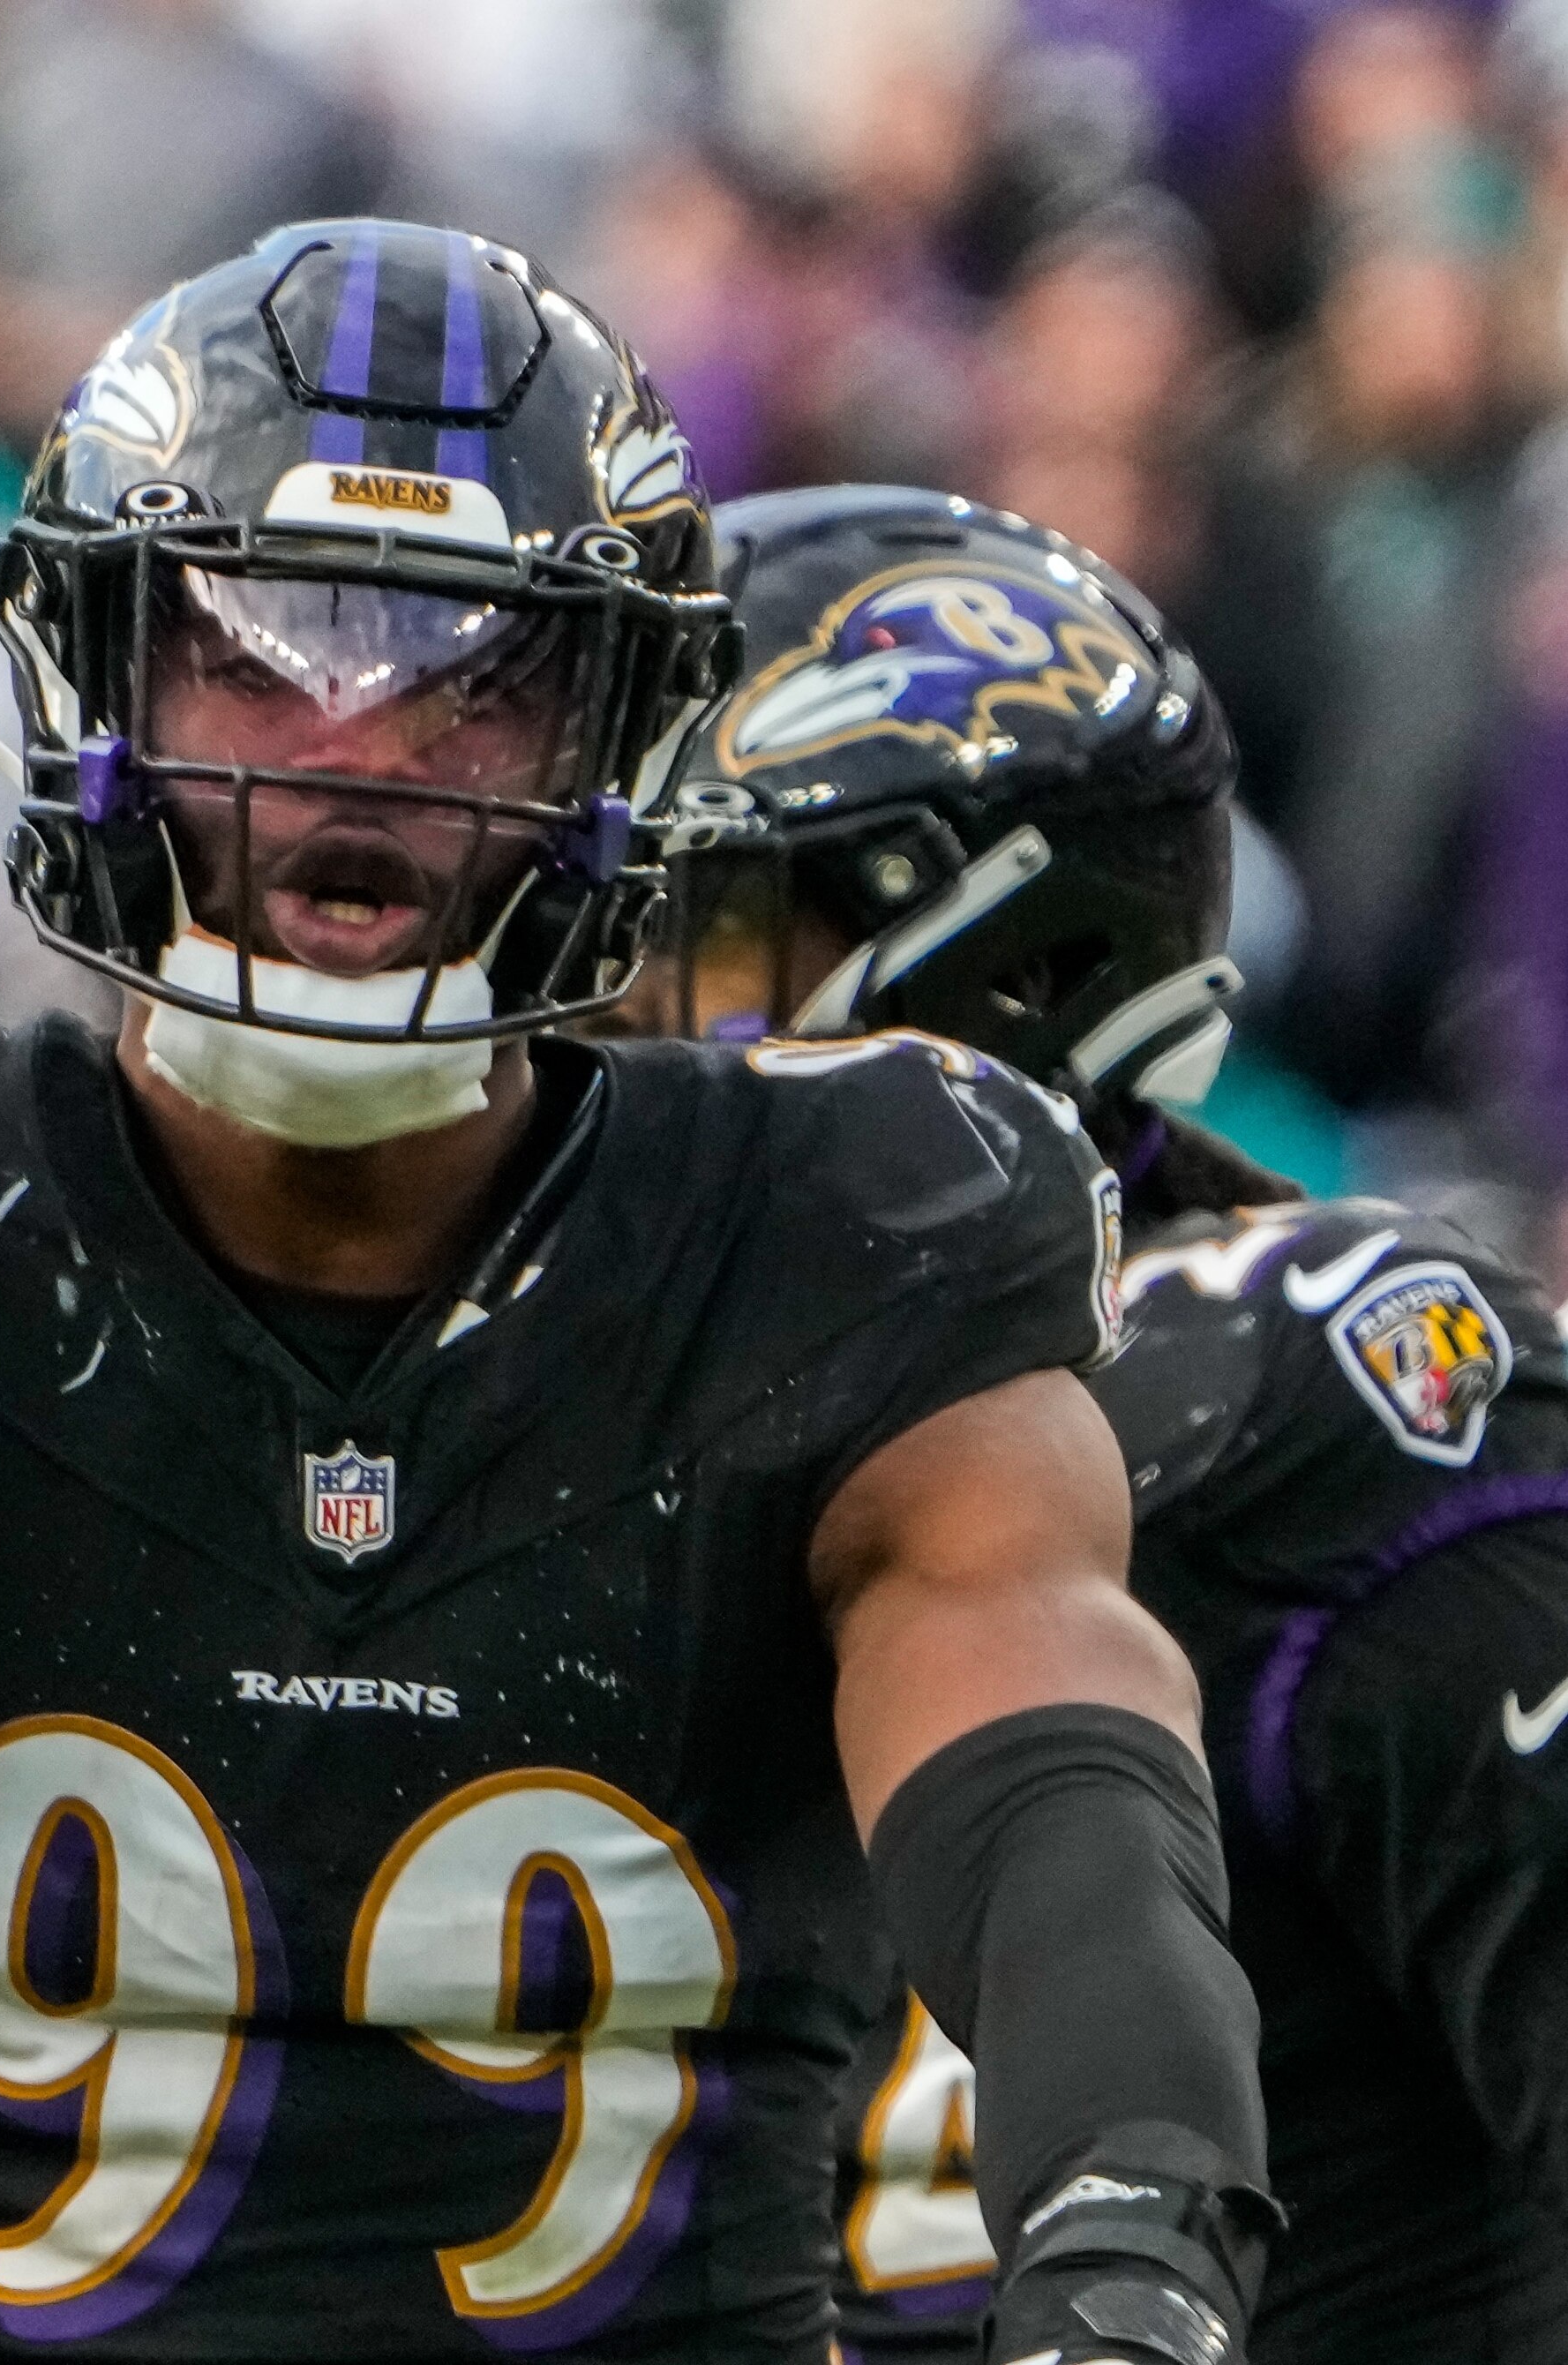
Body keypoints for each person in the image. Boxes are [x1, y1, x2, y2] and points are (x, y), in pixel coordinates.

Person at [0, 117, 1275, 2364]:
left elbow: (1060, 1796)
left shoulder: (833, 1228)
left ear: (623, 739)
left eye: (474, 671)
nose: (355, 746)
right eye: (259, 645)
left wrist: (1129, 2244)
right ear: (98, 671)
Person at [624, 483, 1568, 2361]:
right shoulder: (591, 1420)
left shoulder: (1332, 1398)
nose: (609, 1026)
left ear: (1012, 971)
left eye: (693, 942)